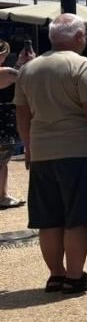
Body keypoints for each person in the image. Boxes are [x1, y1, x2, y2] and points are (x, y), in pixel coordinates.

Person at [15, 14, 87, 294]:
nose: (85, 39)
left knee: (49, 218)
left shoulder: (29, 69)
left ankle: (56, 275)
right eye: (85, 35)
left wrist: (28, 148)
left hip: (42, 153)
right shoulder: (84, 66)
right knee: (78, 218)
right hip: (79, 151)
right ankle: (75, 277)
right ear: (77, 37)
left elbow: (23, 114)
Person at [0, 41, 27, 210]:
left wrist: (19, 63)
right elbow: (27, 79)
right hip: (3, 120)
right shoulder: (7, 72)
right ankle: (2, 196)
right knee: (2, 161)